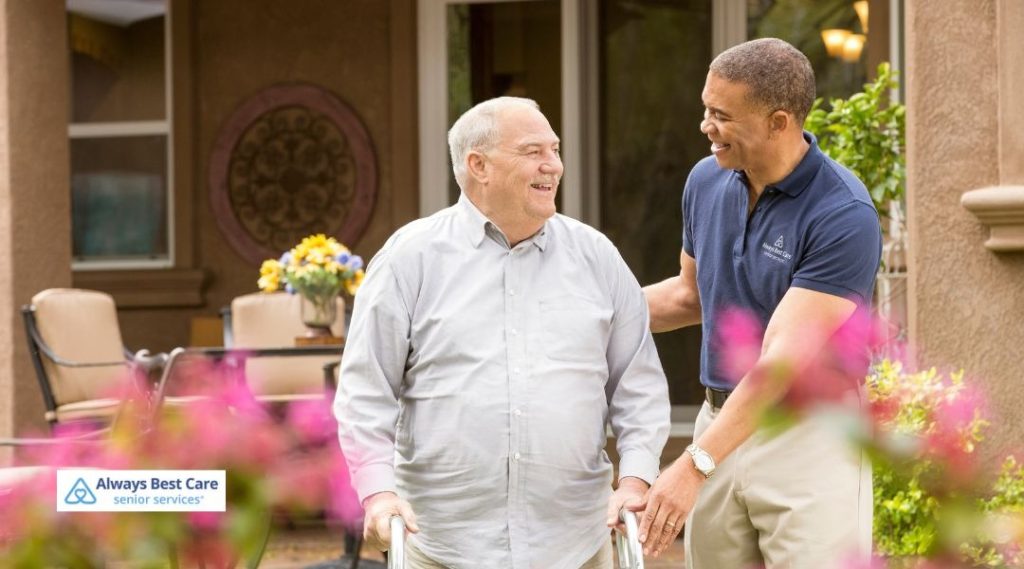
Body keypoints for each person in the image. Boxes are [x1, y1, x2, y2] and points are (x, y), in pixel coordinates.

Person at [334, 96, 670, 569]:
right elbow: (365, 392)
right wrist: (377, 494)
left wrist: (635, 481)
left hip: (575, 544)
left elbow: (639, 387)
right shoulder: (410, 258)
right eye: (534, 151)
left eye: (554, 150)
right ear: (479, 165)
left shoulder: (597, 257)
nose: (553, 165)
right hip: (442, 543)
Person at [640, 38, 881, 567]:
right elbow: (688, 294)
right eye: (706, 109)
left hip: (810, 437)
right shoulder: (706, 179)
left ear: (779, 122)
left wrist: (692, 465)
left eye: (722, 115)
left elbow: (781, 364)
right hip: (719, 418)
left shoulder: (843, 213)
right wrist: (584, 317)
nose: (706, 126)